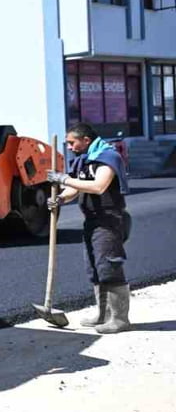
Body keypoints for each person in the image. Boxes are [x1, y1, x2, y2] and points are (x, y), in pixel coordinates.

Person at [47, 122, 130, 333]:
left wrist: (64, 179)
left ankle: (119, 319)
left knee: (108, 266)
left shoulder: (107, 156)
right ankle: (103, 314)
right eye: (67, 143)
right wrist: (60, 198)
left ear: (86, 140)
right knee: (94, 268)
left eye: (72, 143)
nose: (69, 147)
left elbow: (98, 186)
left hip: (108, 220)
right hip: (92, 220)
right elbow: (75, 187)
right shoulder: (83, 160)